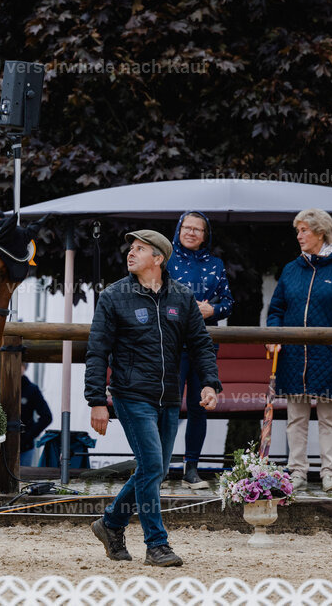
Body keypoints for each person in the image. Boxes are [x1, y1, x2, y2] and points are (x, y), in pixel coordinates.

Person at [86, 230, 221, 567]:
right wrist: (96, 400)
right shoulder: (113, 296)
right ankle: (157, 544)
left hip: (170, 396)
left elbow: (201, 344)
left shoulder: (182, 297)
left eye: (140, 249)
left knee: (154, 470)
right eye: (130, 247)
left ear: (158, 259)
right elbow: (97, 351)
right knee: (151, 466)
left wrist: (209, 384)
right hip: (131, 395)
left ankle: (110, 524)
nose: (130, 253)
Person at [266, 209, 332, 493]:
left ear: (321, 232)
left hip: (329, 357)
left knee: (329, 419)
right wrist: (274, 334)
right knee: (296, 417)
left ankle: (329, 473)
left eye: (304, 230)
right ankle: (296, 472)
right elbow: (276, 309)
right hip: (294, 357)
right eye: (297, 231)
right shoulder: (291, 269)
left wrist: (331, 345)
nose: (299, 236)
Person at [166, 211, 234, 490]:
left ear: (205, 235)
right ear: (179, 229)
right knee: (167, 406)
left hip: (204, 345)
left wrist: (212, 310)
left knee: (199, 406)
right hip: (171, 344)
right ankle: (159, 468)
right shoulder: (165, 259)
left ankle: (191, 469)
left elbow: (228, 303)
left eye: (198, 229)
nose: (191, 232)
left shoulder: (215, 265)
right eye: (187, 227)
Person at [20, 363, 52, 466]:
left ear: (25, 367)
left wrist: (28, 435)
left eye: (20, 365)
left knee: (23, 474)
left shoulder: (31, 389)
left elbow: (47, 417)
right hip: (0, 445)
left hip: (24, 448)